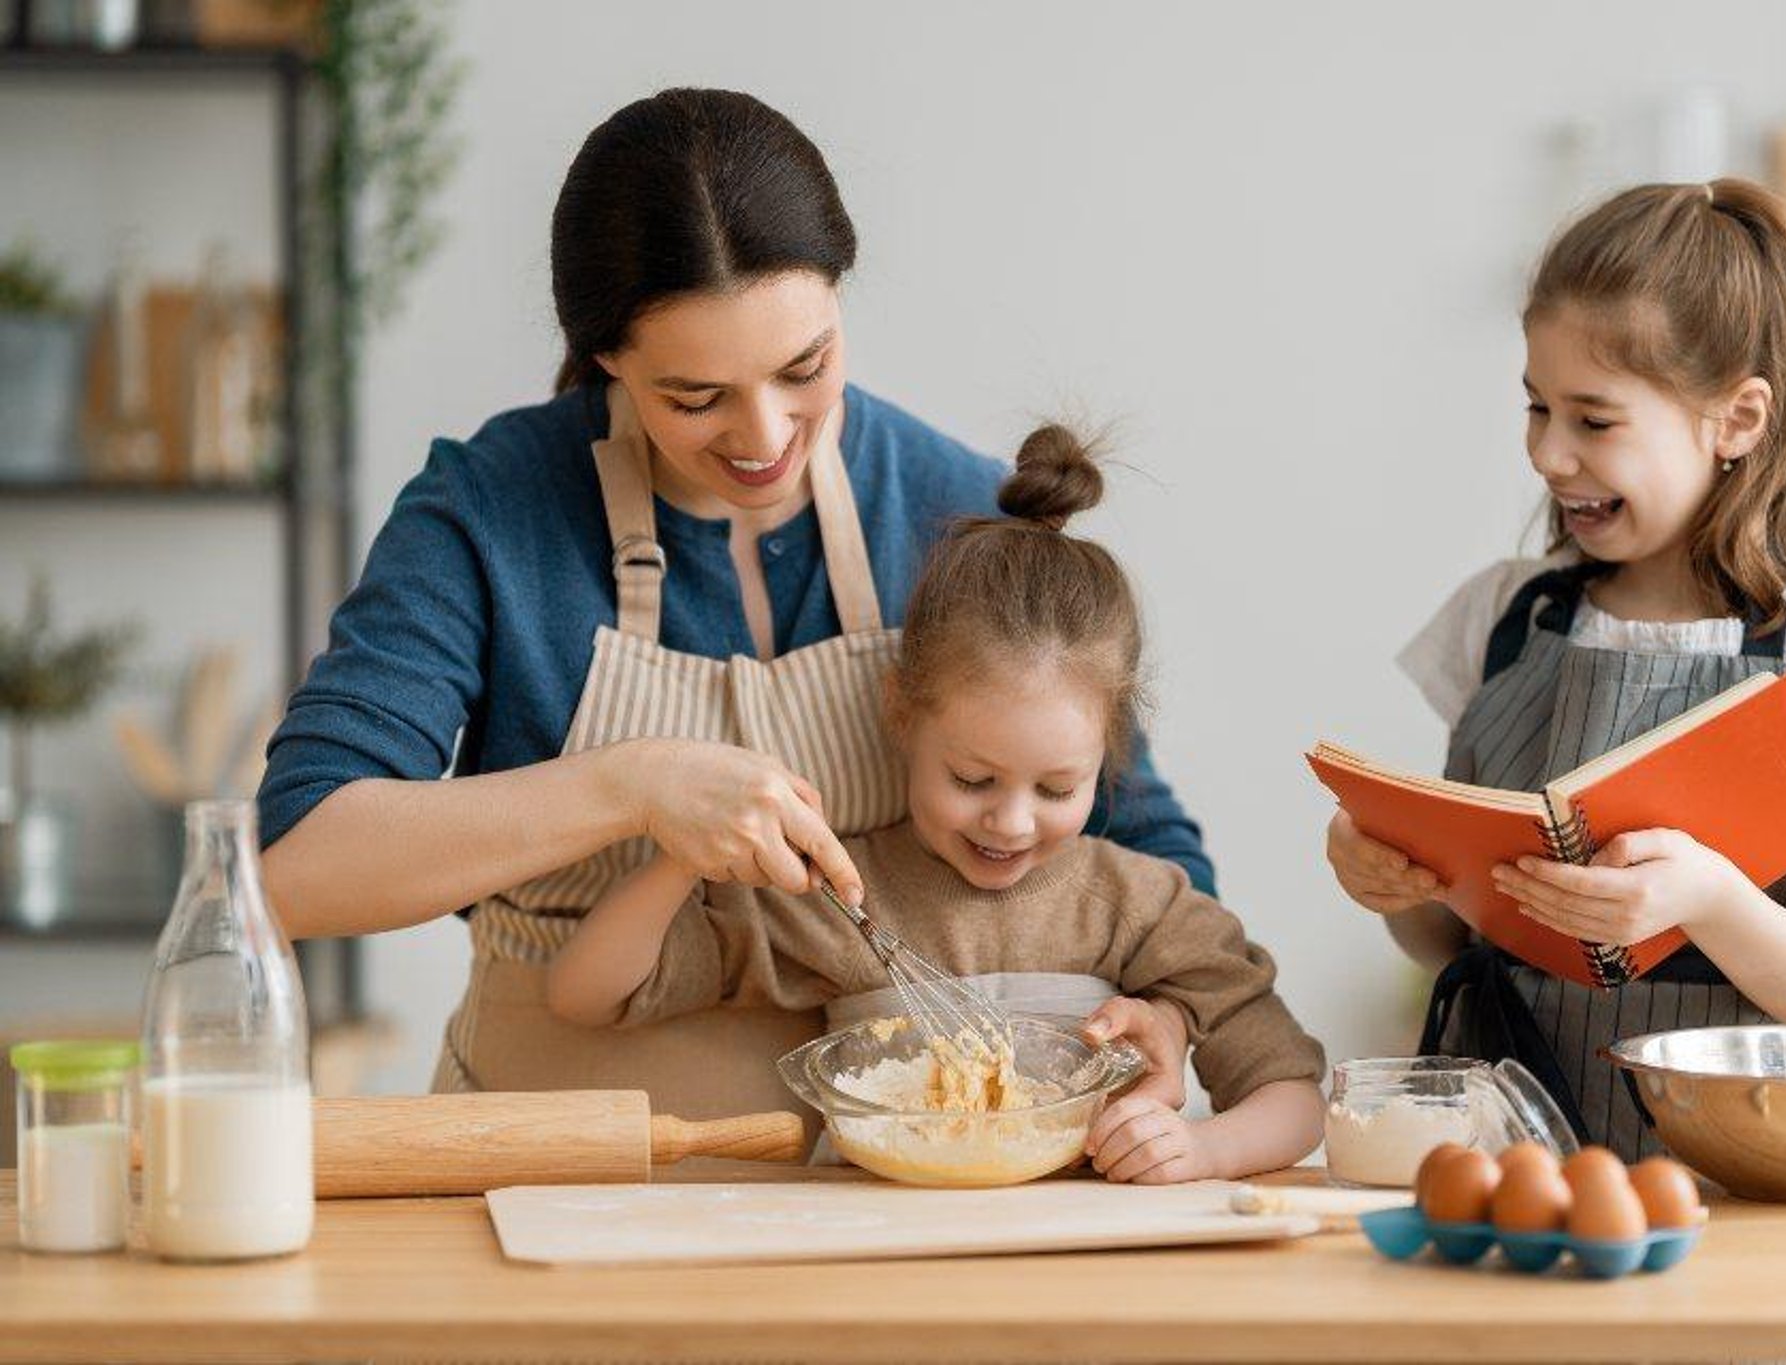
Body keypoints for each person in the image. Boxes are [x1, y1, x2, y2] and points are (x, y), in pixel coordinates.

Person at [255, 89, 1210, 1133]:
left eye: (805, 369)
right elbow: (297, 870)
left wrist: (1163, 1015)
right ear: (608, 354)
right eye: (694, 397)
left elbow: (1142, 842)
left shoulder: (950, 507)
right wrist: (632, 787)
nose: (764, 435)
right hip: (542, 1147)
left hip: (877, 1174)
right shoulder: (491, 511)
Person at [1324, 179, 1786, 1160]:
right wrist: (1403, 886)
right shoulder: (1509, 617)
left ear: (1735, 422)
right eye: (1535, 407)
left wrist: (1706, 898)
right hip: (1502, 1166)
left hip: (1727, 1177)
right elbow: (1447, 947)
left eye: (1593, 419)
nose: (1546, 453)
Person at [548, 425, 1326, 1183]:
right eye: (972, 779)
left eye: (1057, 789)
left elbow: (1293, 1096)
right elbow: (585, 994)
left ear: (1108, 753)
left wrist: (1205, 1149)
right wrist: (680, 852)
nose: (1011, 821)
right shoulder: (844, 893)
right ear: (902, 714)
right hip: (880, 1267)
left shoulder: (1142, 905)